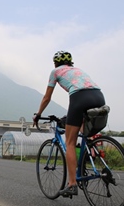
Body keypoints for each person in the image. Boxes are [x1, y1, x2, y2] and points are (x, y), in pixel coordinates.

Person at [33, 50, 105, 197]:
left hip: (80, 98)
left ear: (55, 62)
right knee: (84, 131)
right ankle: (88, 155)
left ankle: (72, 184)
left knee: (70, 142)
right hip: (99, 96)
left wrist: (38, 114)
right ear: (70, 62)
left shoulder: (55, 71)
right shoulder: (78, 70)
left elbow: (47, 97)